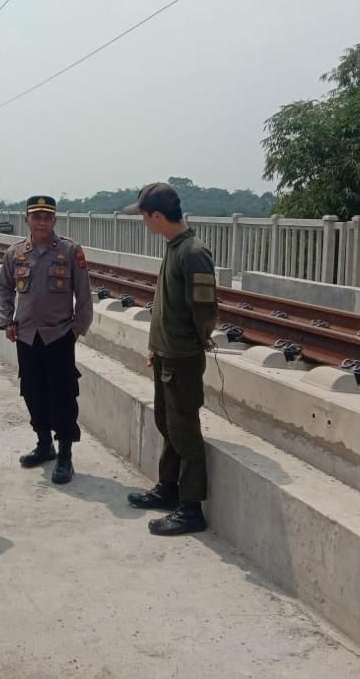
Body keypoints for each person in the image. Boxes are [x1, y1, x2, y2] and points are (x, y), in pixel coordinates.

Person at [123, 183, 217, 535]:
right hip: (166, 355)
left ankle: (191, 509)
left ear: (157, 216)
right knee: (167, 425)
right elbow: (166, 308)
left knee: (185, 432)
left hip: (182, 359)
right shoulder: (175, 248)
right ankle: (169, 489)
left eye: (145, 216)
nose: (144, 222)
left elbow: (205, 311)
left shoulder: (193, 253)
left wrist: (191, 344)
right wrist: (155, 346)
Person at [0, 195, 93, 484]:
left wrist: (77, 328)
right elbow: (4, 288)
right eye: (36, 216)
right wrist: (6, 319)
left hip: (59, 335)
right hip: (27, 336)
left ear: (54, 220)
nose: (41, 222)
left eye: (47, 217)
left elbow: (84, 294)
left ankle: (65, 454)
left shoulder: (69, 252)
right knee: (33, 392)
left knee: (63, 396)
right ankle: (43, 445)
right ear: (26, 219)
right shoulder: (15, 253)